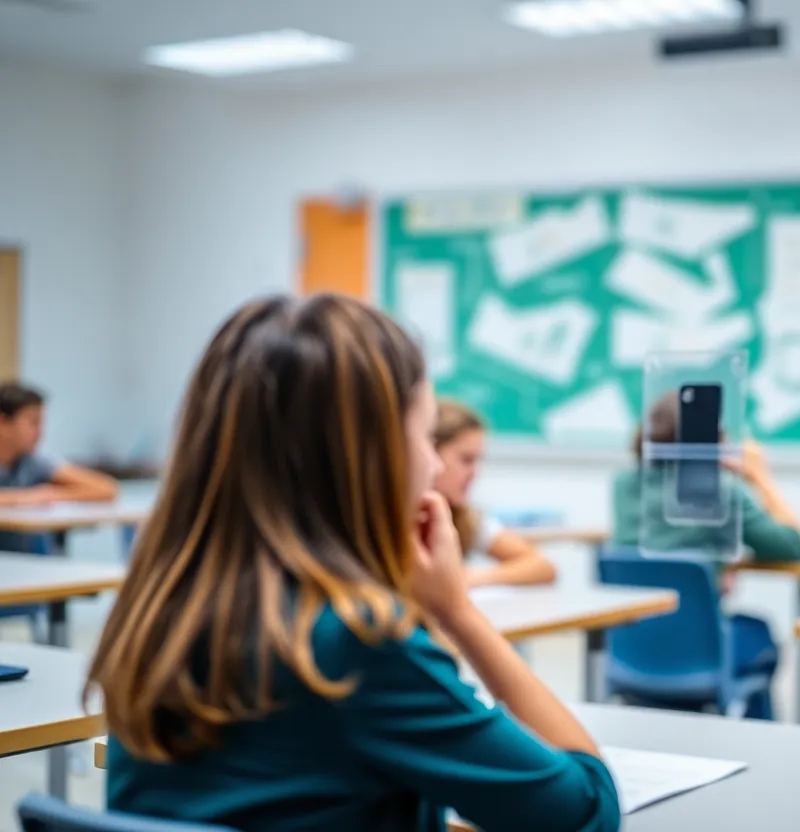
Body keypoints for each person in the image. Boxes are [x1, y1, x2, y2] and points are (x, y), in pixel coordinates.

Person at [87, 295, 620, 832]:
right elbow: (586, 814)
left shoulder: (157, 611)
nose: (433, 463)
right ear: (371, 454)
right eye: (424, 434)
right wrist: (458, 612)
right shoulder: (360, 643)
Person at [610, 391, 800, 719]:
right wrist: (759, 476)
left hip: (631, 651)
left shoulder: (624, 486)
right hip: (701, 654)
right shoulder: (722, 491)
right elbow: (791, 547)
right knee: (760, 639)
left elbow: (661, 543)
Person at [433, 399, 557, 587]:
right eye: (466, 460)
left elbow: (543, 567)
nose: (474, 473)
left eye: (477, 461)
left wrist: (471, 577)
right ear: (429, 454)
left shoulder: (465, 517)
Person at [0, 382, 119, 552]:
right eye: (33, 423)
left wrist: (51, 494)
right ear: (3, 422)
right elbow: (27, 498)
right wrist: (23, 498)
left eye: (41, 424)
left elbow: (107, 489)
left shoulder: (34, 460)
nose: (40, 432)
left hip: (34, 561)